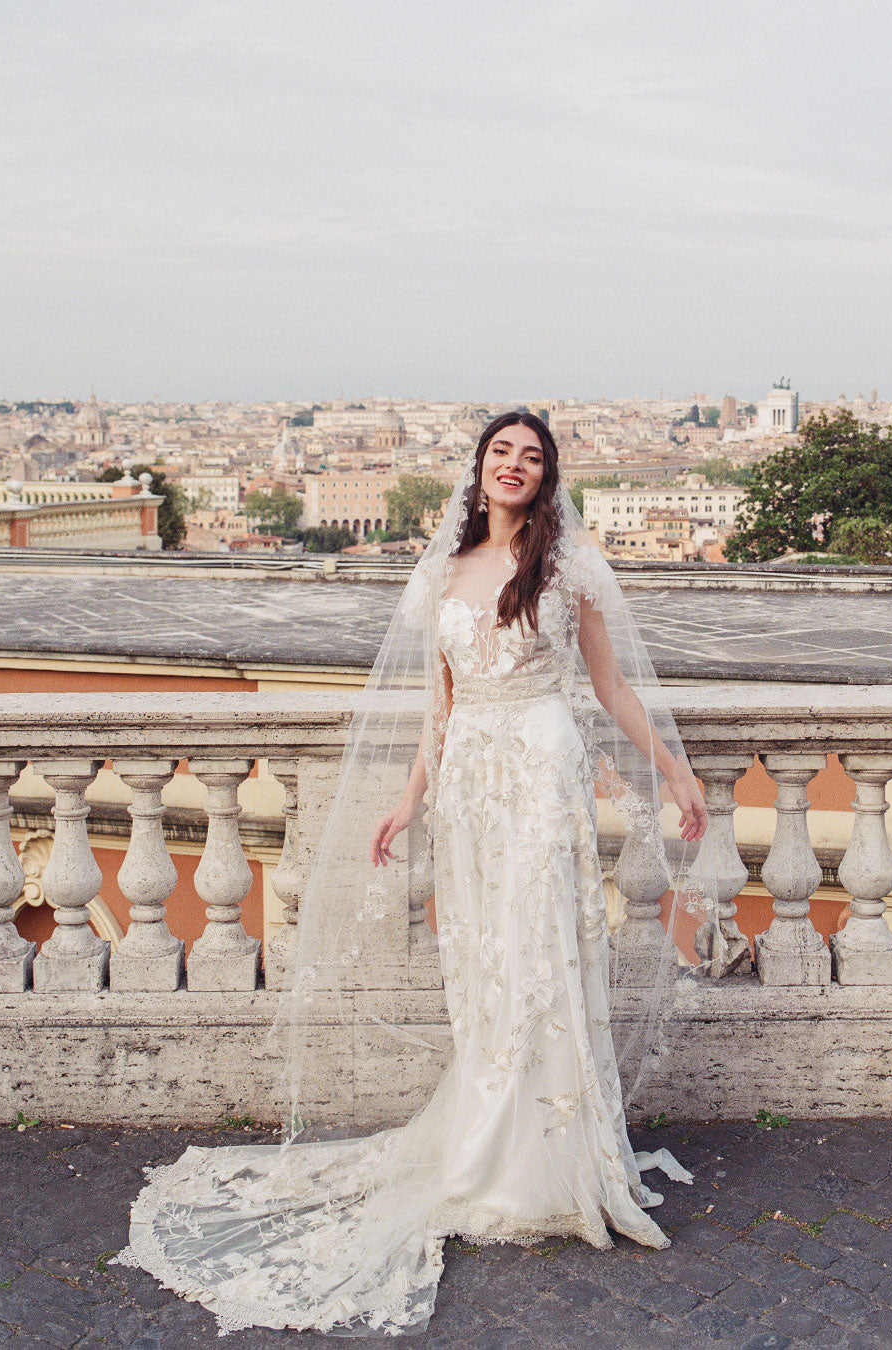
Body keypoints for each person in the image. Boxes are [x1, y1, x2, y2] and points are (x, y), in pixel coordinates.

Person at [115, 412, 714, 1337]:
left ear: (547, 477)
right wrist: (406, 800)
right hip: (470, 775)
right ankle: (496, 1144)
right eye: (500, 452)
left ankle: (553, 1161)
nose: (514, 466)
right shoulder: (440, 569)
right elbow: (437, 705)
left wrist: (674, 769)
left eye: (532, 456)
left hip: (542, 764)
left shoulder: (569, 567)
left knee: (543, 952)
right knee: (482, 965)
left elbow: (611, 687)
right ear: (478, 468)